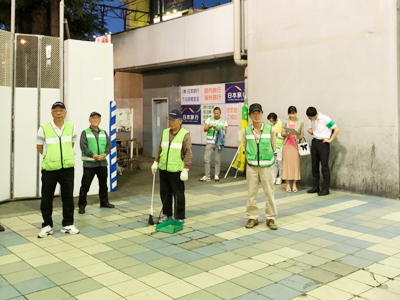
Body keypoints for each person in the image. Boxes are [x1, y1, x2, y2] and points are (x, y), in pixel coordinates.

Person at [36, 102, 79, 238]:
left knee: (68, 197)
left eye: (61, 110)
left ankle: (68, 224)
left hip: (67, 168)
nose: (58, 112)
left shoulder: (72, 127)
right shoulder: (44, 129)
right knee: (47, 198)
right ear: (51, 113)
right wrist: (50, 157)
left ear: (65, 112)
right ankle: (47, 225)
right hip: (49, 169)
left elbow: (71, 144)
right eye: (55, 110)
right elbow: (39, 147)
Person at [151, 109, 192, 222]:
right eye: (169, 120)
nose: (171, 122)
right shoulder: (165, 132)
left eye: (173, 120)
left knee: (178, 194)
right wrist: (156, 161)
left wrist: (186, 169)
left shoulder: (185, 135)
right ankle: (167, 214)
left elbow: (188, 152)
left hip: (176, 170)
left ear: (180, 121)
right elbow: (160, 147)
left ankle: (179, 217)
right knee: (164, 193)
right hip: (164, 168)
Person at [243, 103, 278, 230]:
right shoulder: (245, 130)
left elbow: (274, 146)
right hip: (251, 166)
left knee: (269, 192)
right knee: (251, 193)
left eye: (258, 113)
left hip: (267, 166)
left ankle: (271, 218)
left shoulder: (270, 129)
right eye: (253, 113)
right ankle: (252, 217)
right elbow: (244, 146)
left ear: (262, 114)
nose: (256, 115)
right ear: (250, 116)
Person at [78, 112, 114, 214]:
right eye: (93, 119)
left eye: (97, 119)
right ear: (89, 120)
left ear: (100, 120)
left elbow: (108, 145)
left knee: (103, 185)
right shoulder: (85, 133)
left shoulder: (104, 132)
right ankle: (81, 206)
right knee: (85, 186)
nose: (95, 120)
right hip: (89, 165)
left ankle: (104, 202)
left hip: (102, 164)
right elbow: (83, 147)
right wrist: (93, 155)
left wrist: (105, 154)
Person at [306, 107, 340, 196]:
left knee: (324, 167)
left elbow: (336, 129)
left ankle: (325, 189)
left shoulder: (325, 119)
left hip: (323, 144)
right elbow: (312, 129)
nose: (309, 119)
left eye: (310, 118)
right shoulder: (311, 119)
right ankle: (315, 186)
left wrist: (330, 139)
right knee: (314, 166)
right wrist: (310, 131)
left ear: (315, 115)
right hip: (315, 142)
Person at [199, 107, 228, 182]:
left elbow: (225, 131)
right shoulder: (209, 119)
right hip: (209, 142)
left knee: (217, 160)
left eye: (217, 113)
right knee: (206, 159)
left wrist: (218, 129)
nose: (216, 115)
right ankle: (207, 175)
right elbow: (205, 129)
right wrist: (209, 127)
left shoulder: (223, 121)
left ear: (220, 113)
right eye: (215, 113)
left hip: (218, 142)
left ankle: (216, 175)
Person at [281, 106, 304, 193]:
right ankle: (287, 184)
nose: (292, 115)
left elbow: (302, 134)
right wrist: (285, 133)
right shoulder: (285, 122)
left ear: (296, 113)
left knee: (295, 165)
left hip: (295, 145)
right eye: (290, 113)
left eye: (293, 113)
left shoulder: (300, 122)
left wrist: (298, 135)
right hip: (287, 145)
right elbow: (282, 133)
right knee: (286, 164)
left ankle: (294, 184)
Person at [267, 113, 284, 185]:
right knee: (274, 163)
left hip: (280, 145)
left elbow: (284, 136)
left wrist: (278, 134)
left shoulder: (281, 124)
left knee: (280, 163)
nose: (272, 122)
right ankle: (274, 177)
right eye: (270, 121)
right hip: (273, 146)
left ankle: (280, 177)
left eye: (272, 121)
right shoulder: (271, 126)